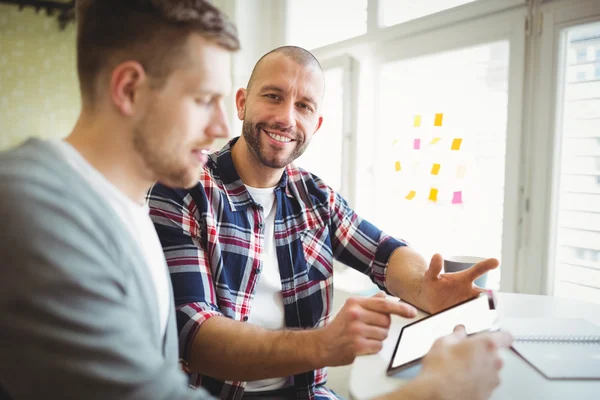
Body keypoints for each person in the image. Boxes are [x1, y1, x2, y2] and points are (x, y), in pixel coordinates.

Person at [148, 46, 511, 399]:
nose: (287, 118)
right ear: (242, 102)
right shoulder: (182, 188)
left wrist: (425, 287)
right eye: (273, 96)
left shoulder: (315, 195)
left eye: (303, 106)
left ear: (316, 123)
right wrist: (326, 344)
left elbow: (384, 254)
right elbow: (196, 337)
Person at [0, 0, 238, 398]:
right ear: (129, 89)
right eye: (203, 100)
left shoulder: (130, 207)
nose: (222, 127)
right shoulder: (33, 211)